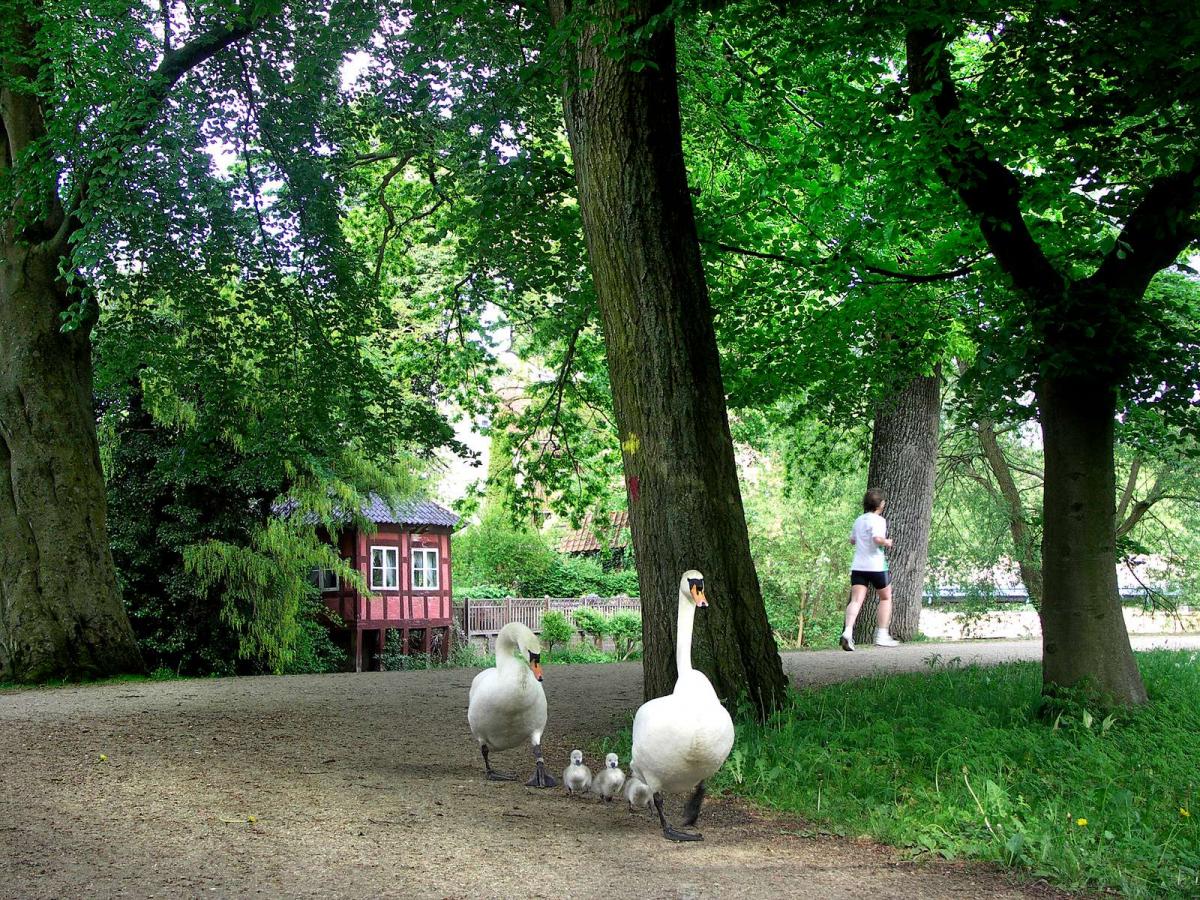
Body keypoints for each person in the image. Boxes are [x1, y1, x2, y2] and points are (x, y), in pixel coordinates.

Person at [840, 488, 899, 651]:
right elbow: (877, 539)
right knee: (886, 597)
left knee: (856, 600)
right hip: (876, 566)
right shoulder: (879, 520)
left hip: (858, 566)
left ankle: (848, 632)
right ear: (881, 504)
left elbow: (852, 540)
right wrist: (886, 542)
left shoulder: (858, 520)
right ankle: (882, 635)